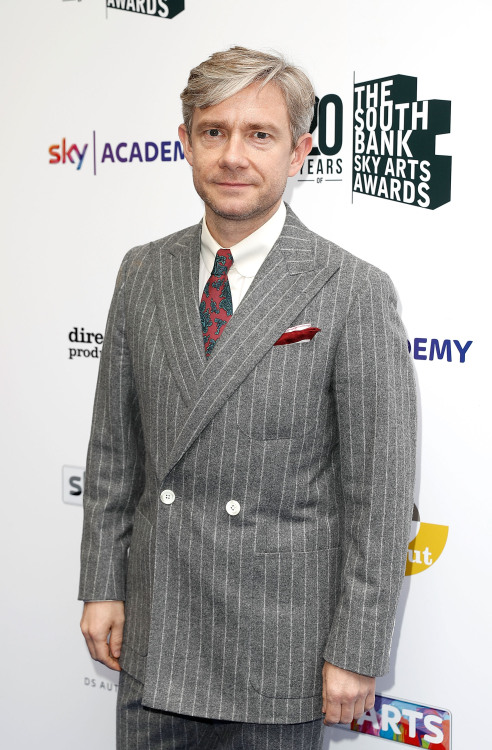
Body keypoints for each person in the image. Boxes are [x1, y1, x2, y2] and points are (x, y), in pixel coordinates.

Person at [79, 46, 417, 750]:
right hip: (157, 634)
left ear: (299, 153)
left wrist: (356, 649)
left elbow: (381, 495)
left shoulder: (351, 289)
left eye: (259, 134)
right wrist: (102, 585)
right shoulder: (141, 271)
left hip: (278, 649)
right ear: (186, 144)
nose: (234, 154)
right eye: (214, 131)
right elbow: (114, 451)